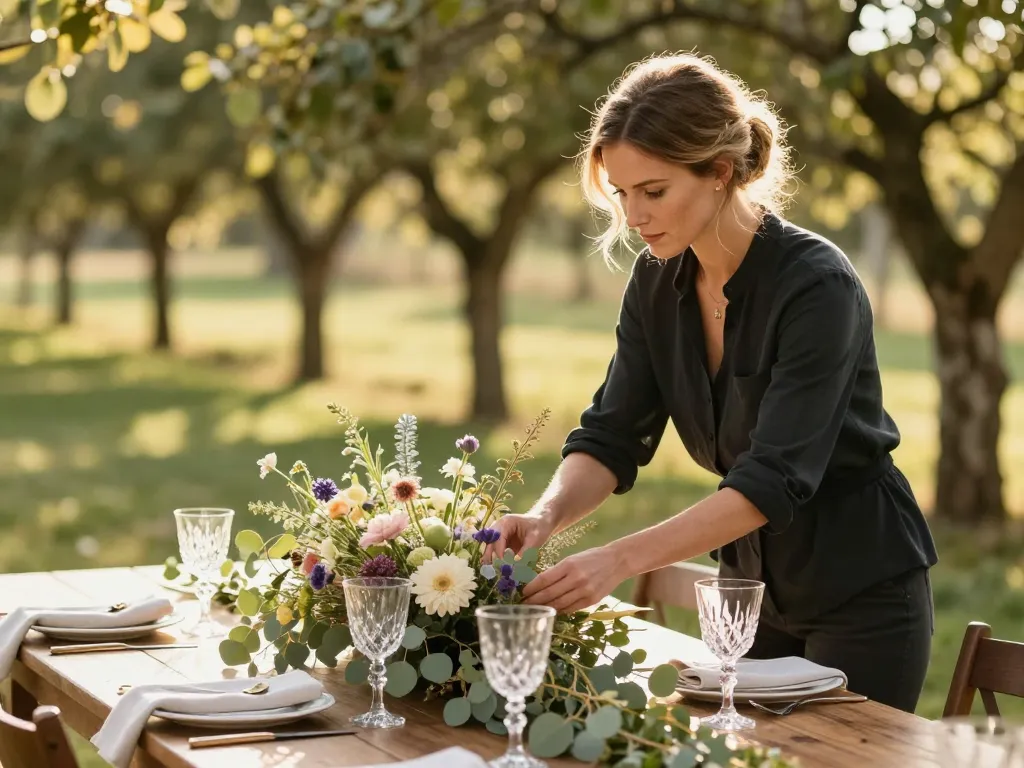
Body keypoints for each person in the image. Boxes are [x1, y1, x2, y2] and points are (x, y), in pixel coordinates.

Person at [484, 53, 938, 713]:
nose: (633, 216)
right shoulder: (655, 281)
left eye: (654, 191)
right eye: (622, 193)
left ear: (720, 172)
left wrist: (617, 560)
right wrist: (545, 516)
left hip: (862, 591)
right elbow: (612, 434)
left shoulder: (817, 285)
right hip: (747, 591)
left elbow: (771, 480)